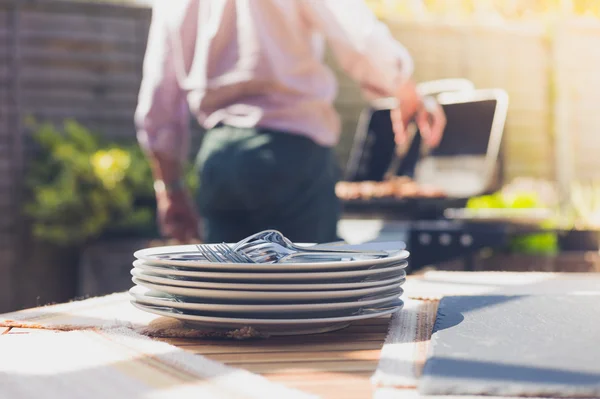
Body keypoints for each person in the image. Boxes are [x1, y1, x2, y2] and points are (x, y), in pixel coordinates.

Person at [134, 0, 446, 244]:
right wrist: (405, 90)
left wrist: (171, 189)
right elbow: (357, 35)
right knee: (310, 302)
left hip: (220, 160)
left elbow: (158, 96)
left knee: (227, 300)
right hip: (291, 156)